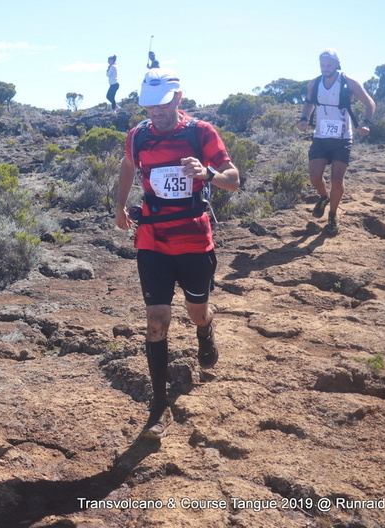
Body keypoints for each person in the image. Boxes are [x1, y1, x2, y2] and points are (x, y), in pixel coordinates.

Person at [115, 68, 240, 438]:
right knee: (156, 321)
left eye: (162, 104)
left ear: (178, 98)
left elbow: (233, 180)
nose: (156, 111)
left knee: (197, 312)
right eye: (149, 105)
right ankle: (159, 407)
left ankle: (205, 330)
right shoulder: (138, 135)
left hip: (193, 240)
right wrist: (120, 205)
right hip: (152, 238)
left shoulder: (200, 133)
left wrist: (208, 174)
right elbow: (127, 165)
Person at [296, 48, 375, 235]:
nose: (325, 68)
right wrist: (304, 119)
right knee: (314, 177)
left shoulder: (349, 82)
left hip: (342, 138)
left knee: (337, 180)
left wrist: (366, 123)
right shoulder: (315, 83)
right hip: (321, 137)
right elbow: (309, 103)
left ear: (337, 64)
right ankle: (324, 197)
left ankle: (332, 215)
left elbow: (369, 103)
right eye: (322, 65)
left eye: (329, 65)